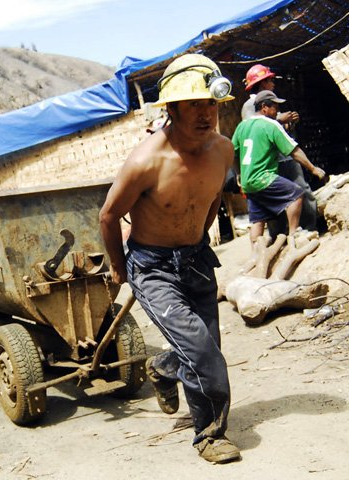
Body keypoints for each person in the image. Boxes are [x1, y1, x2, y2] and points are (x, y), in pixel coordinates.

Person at [99, 53, 241, 464]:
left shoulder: (222, 150)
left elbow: (211, 200)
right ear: (172, 109)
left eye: (210, 103)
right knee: (203, 354)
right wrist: (118, 267)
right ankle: (210, 435)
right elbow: (108, 215)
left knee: (205, 347)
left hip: (196, 259)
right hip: (153, 267)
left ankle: (163, 366)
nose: (205, 114)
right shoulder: (147, 161)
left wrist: (199, 237)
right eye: (194, 104)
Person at [232, 90, 326, 245]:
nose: (277, 111)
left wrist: (239, 174)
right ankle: (293, 235)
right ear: (264, 107)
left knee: (258, 221)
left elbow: (233, 153)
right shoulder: (270, 125)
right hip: (263, 177)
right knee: (296, 195)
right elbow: (294, 151)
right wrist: (313, 169)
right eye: (274, 107)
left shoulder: (242, 126)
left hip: (248, 182)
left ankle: (257, 253)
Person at [241, 64, 318, 232]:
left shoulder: (268, 100)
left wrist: (288, 123)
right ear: (262, 83)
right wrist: (280, 119)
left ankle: (307, 228)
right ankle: (293, 233)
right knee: (296, 194)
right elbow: (256, 129)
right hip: (275, 160)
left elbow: (273, 130)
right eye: (271, 80)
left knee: (299, 192)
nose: (274, 83)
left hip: (282, 157)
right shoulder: (250, 105)